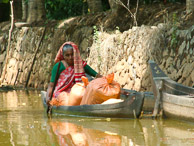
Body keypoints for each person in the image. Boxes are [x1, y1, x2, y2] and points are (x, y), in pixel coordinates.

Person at [46, 41, 101, 106]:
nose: (70, 57)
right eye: (67, 55)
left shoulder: (80, 64)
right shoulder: (58, 66)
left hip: (77, 92)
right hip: (61, 93)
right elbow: (51, 85)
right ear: (63, 56)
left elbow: (96, 75)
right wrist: (47, 97)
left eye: (72, 54)